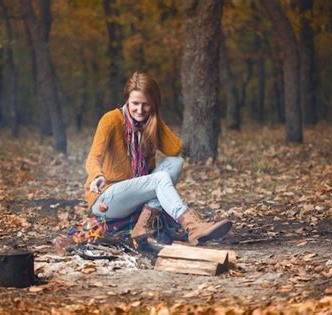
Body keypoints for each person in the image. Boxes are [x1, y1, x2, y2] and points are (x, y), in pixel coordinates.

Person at [85, 71, 232, 245]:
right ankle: (192, 225)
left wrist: (155, 120)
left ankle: (143, 225)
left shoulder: (149, 122)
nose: (139, 110)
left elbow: (174, 149)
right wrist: (97, 176)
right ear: (127, 100)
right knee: (160, 179)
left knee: (175, 163)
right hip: (107, 197)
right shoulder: (111, 120)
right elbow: (93, 157)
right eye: (135, 103)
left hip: (136, 192)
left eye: (146, 105)